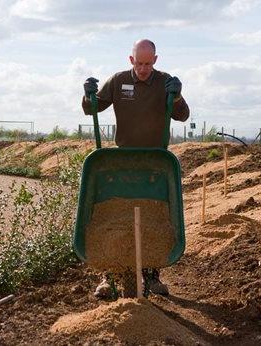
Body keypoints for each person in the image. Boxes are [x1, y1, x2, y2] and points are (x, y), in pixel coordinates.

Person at [82, 39, 190, 298]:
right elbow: (92, 109)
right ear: (131, 60)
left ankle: (152, 275)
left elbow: (183, 115)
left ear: (155, 60)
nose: (143, 68)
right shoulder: (118, 81)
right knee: (114, 216)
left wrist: (177, 95)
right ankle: (108, 277)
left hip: (155, 161)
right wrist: (88, 95)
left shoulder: (165, 82)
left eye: (148, 63)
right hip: (123, 160)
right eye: (139, 63)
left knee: (155, 217)